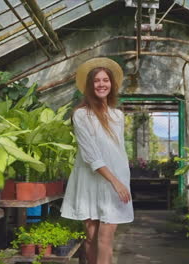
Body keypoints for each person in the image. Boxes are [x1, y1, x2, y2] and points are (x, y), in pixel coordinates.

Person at [61, 57, 134, 264]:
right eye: (97, 81)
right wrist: (115, 181)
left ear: (112, 84)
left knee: (105, 238)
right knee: (91, 238)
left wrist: (120, 181)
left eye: (105, 80)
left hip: (114, 182)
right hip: (90, 181)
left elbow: (118, 152)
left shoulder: (117, 116)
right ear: (89, 86)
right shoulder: (81, 115)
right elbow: (91, 155)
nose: (102, 84)